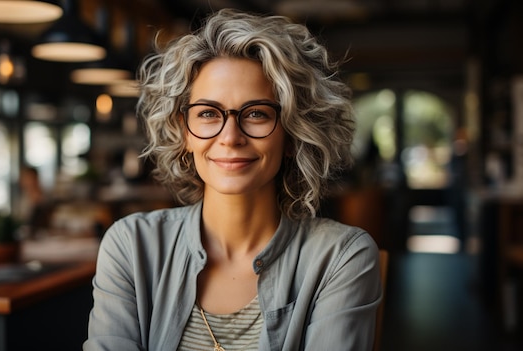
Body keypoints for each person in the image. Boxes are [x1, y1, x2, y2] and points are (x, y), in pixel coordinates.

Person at [84, 8, 382, 351]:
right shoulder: (130, 246)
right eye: (208, 114)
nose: (230, 136)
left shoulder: (341, 257)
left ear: (291, 134)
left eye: (256, 113)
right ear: (185, 133)